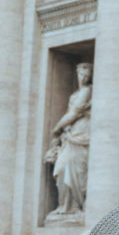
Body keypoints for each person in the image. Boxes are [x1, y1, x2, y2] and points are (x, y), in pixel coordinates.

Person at [45, 62, 93, 214]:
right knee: (62, 166)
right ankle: (64, 205)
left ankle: (74, 205)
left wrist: (57, 128)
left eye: (86, 74)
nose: (83, 77)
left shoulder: (88, 91)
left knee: (74, 167)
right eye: (80, 74)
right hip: (71, 134)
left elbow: (75, 113)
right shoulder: (74, 95)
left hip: (83, 132)